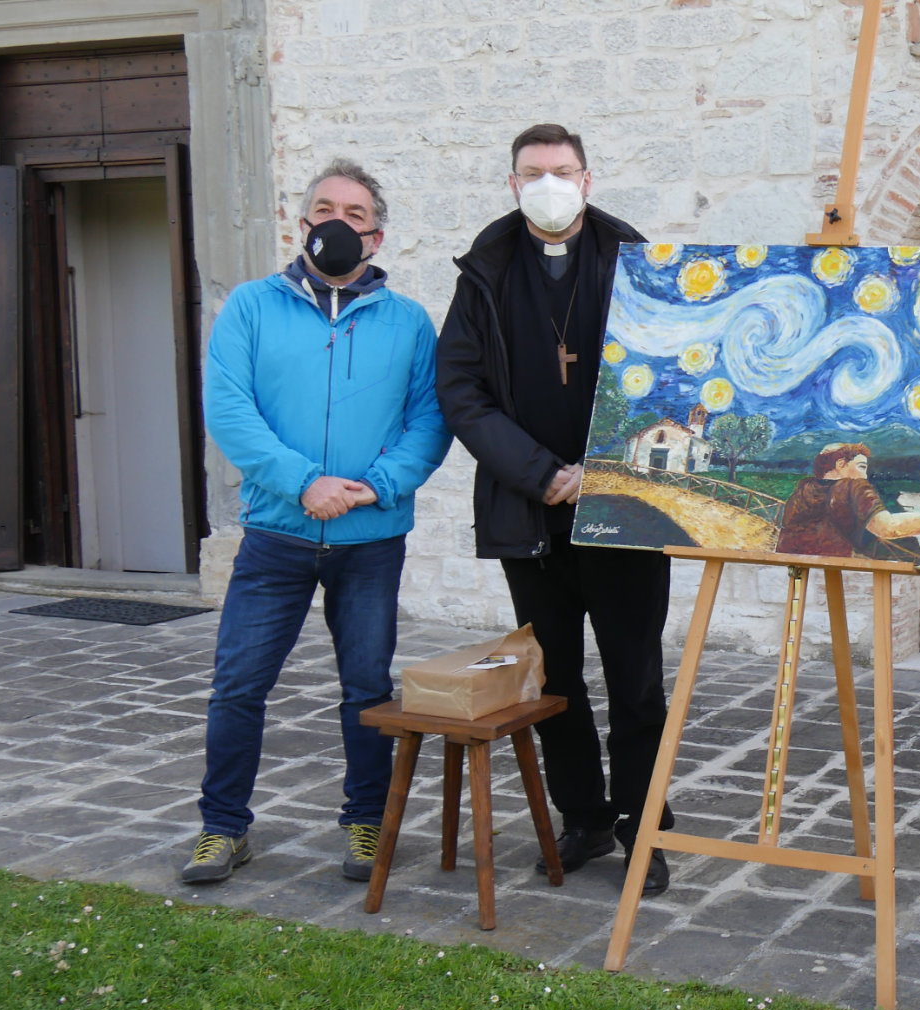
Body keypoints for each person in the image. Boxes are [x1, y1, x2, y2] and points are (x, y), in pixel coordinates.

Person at [184, 160, 451, 885]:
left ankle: (366, 824)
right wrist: (305, 483)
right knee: (238, 684)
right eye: (324, 208)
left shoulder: (408, 322)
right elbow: (230, 410)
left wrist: (371, 488)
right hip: (277, 536)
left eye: (355, 211)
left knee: (367, 689)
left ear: (375, 234)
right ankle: (222, 827)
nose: (338, 220)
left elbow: (430, 420)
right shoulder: (250, 307)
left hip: (370, 541)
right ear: (301, 225)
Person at [435, 124, 678, 894]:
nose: (549, 183)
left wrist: (603, 474)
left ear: (588, 177)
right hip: (532, 511)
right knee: (555, 679)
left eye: (562, 171)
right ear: (513, 183)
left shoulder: (636, 259)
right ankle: (584, 817)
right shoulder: (486, 269)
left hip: (624, 508)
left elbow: (671, 369)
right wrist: (541, 474)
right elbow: (461, 391)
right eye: (533, 172)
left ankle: (643, 822)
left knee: (637, 679)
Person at [775, 443, 920, 557]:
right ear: (841, 464)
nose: (864, 476)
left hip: (792, 568)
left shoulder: (803, 489)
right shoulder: (853, 486)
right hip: (831, 569)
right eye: (861, 466)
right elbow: (889, 527)